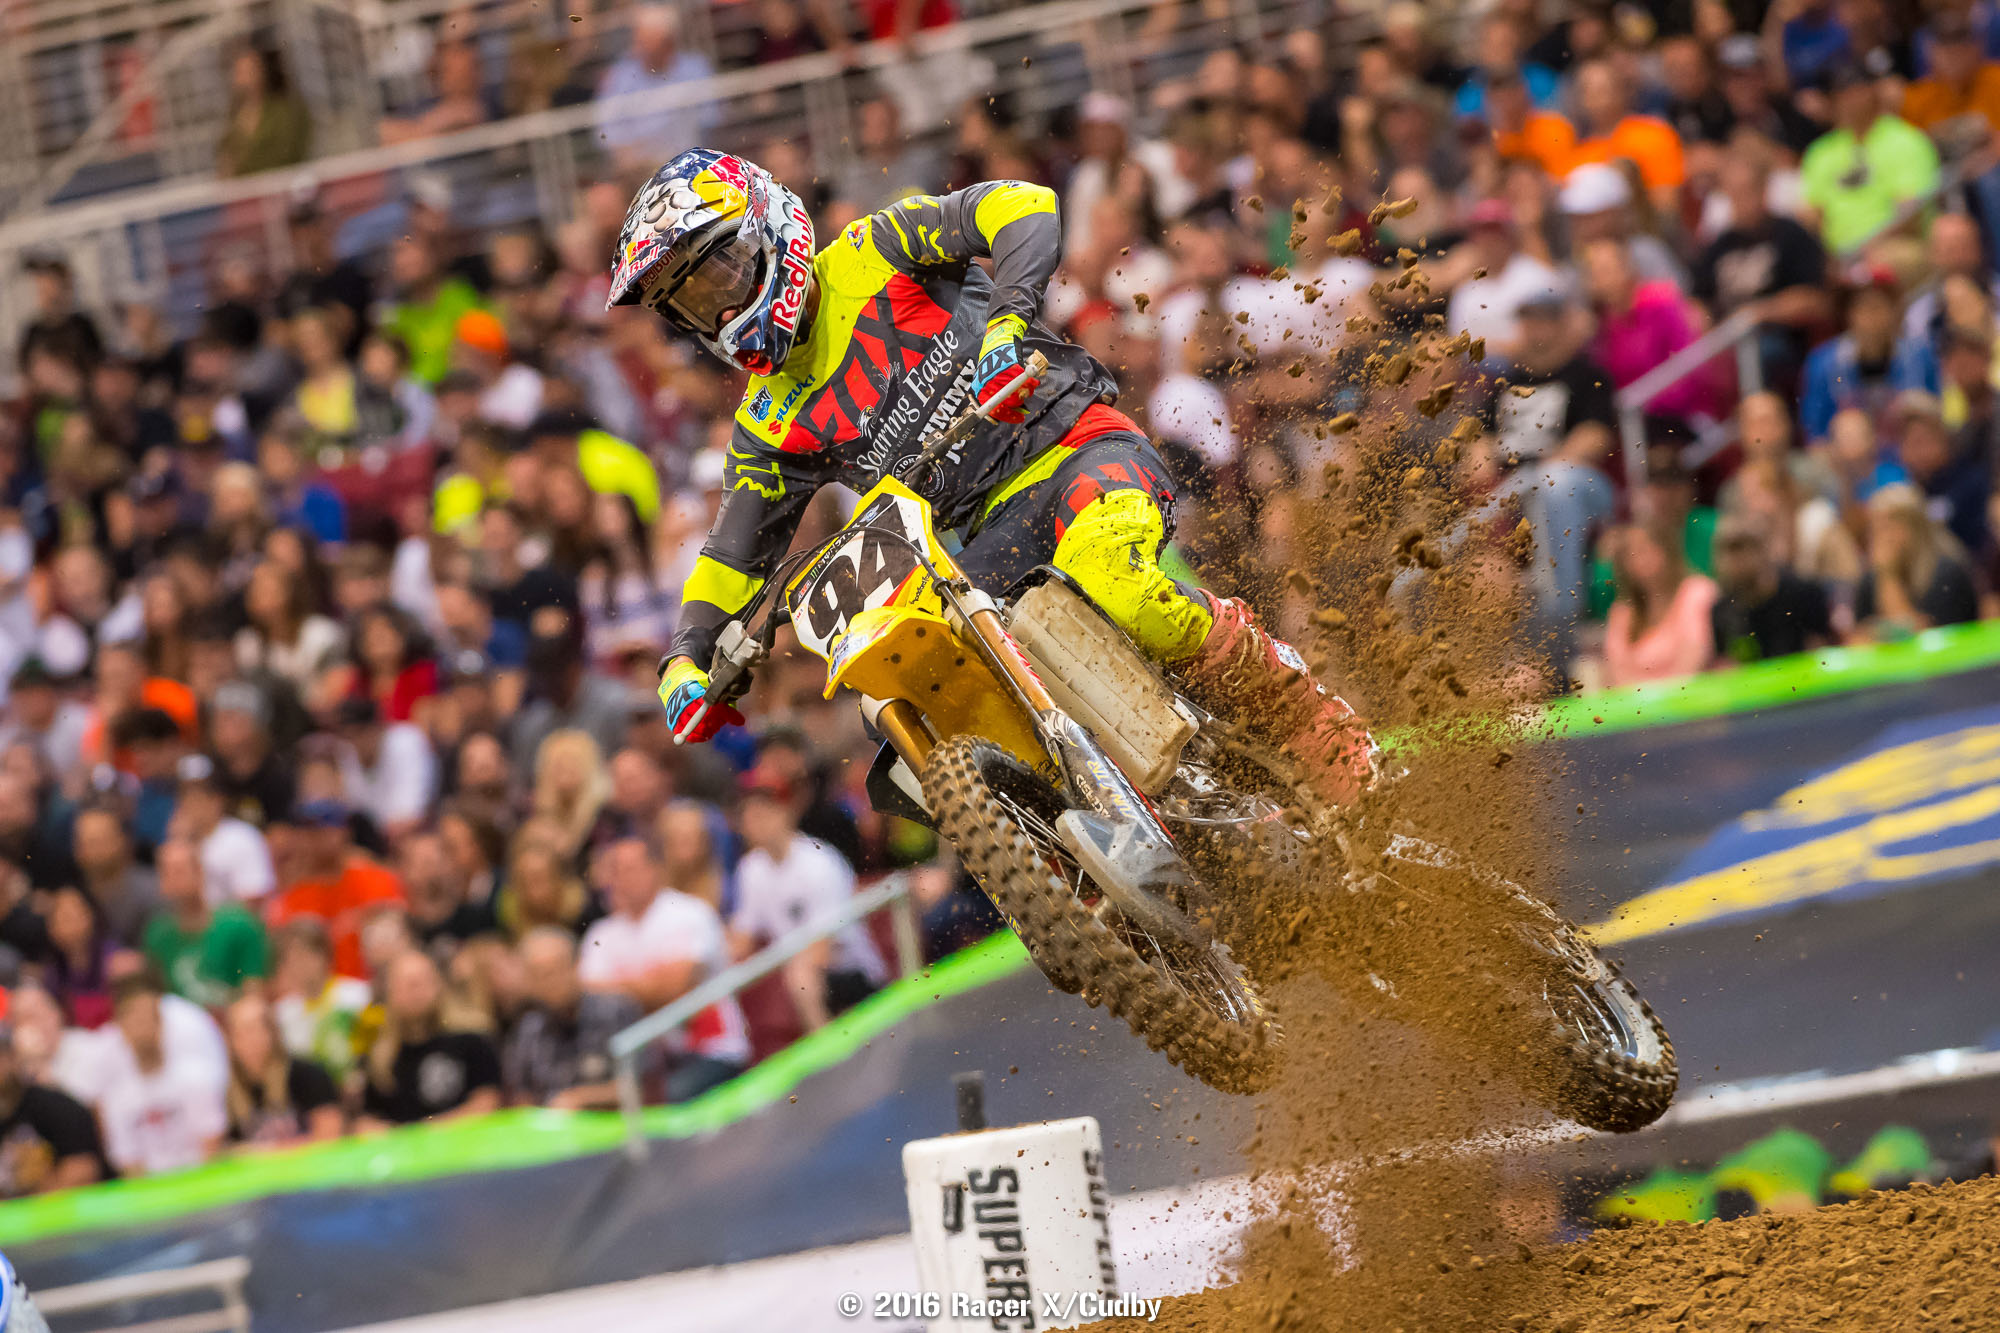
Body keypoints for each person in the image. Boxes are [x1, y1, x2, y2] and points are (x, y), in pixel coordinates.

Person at [609, 149, 1372, 807]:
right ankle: (1061, 858)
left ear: (769, 226)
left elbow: (1023, 205)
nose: (723, 305)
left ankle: (1301, 713)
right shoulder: (766, 420)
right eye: (696, 301)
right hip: (974, 546)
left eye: (722, 271)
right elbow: (733, 551)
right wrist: (684, 658)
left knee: (1117, 579)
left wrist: (1007, 322)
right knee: (913, 687)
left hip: (1074, 448)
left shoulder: (877, 248)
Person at [577, 837, 748, 1100]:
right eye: (616, 871)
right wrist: (648, 987)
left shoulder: (690, 913)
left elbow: (673, 987)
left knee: (667, 1098)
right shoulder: (602, 933)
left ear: (655, 869)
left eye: (630, 869)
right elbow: (590, 997)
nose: (623, 879)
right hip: (644, 1061)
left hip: (710, 1049)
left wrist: (622, 990)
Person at [729, 769, 887, 1029]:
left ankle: (827, 1058)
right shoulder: (750, 869)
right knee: (797, 975)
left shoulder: (819, 862)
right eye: (749, 814)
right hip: (802, 975)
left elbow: (822, 950)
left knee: (801, 975)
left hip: (854, 974)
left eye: (765, 811)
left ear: (785, 812)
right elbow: (741, 939)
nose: (756, 821)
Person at [1801, 65, 1942, 255]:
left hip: (1897, 246)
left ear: (1874, 92)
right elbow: (1810, 214)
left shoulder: (1905, 140)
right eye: (1843, 93)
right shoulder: (1820, 152)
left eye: (1858, 91)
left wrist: (1865, 251)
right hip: (1837, 255)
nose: (1851, 100)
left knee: (1885, 264)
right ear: (1832, 100)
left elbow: (1910, 214)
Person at [96, 974, 228, 1175]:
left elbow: (212, 1148)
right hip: (153, 1200)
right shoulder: (117, 1100)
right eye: (134, 1022)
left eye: (148, 1019)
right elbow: (129, 1166)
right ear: (122, 1029)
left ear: (161, 1023)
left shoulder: (195, 1079)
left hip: (202, 1190)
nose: (143, 1029)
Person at [266, 799, 407, 979]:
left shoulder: (375, 879)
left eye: (321, 830)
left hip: (374, 987)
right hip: (317, 997)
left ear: (343, 832)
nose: (313, 839)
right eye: (307, 831)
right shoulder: (291, 897)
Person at [358, 950, 502, 1126]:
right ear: (390, 993)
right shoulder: (382, 1057)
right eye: (410, 984)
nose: (419, 992)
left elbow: (487, 1104)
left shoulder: (471, 1040)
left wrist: (424, 1132)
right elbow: (366, 1121)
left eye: (425, 981)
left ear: (439, 985)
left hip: (466, 1146)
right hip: (403, 1151)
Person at [503, 927, 640, 1108]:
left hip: (612, 1128)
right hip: (549, 1130)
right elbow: (520, 1095)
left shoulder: (616, 1011)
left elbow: (640, 1085)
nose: (549, 982)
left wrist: (581, 1098)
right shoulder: (529, 1027)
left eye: (555, 970)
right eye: (538, 975)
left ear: (576, 965)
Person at [143, 840, 269, 1008]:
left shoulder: (239, 925)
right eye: (167, 872)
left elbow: (254, 992)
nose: (174, 879)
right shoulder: (158, 935)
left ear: (200, 872)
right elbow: (156, 997)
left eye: (180, 871)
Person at [1603, 521, 1722, 687]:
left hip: (1693, 702)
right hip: (1637, 709)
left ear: (1666, 548)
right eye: (1630, 555)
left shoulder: (1697, 592)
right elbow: (1616, 675)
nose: (1639, 561)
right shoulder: (1622, 612)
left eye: (1644, 549)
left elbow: (1697, 657)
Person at [1709, 511, 1838, 663]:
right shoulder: (1722, 612)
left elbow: (1827, 655)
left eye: (1742, 547)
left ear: (1764, 549)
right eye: (1726, 551)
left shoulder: (1804, 595)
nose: (1734, 561)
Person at [0, 1020, 107, 1197]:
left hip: (65, 1214)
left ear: (13, 1058)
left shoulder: (53, 1105)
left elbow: (84, 1168)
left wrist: (34, 1207)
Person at [222, 994, 342, 1146]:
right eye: (240, 1031)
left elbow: (330, 1138)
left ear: (272, 1032)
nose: (250, 1039)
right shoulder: (225, 1088)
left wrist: (269, 1152)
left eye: (255, 1029)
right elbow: (217, 1152)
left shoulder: (308, 1075)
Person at [169, 755, 276, 906]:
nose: (188, 803)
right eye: (184, 795)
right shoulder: (179, 842)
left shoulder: (242, 837)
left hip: (235, 926)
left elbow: (255, 899)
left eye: (197, 795)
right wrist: (181, 841)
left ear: (217, 800)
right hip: (196, 925)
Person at [270, 919, 372, 1078]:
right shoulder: (282, 1014)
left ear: (325, 955)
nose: (299, 964)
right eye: (291, 957)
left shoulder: (359, 996)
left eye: (305, 954)